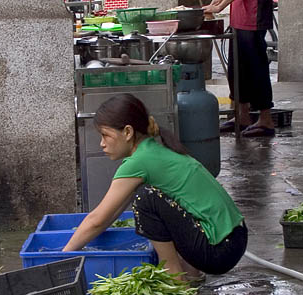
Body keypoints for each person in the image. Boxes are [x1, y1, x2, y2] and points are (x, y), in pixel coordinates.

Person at [62, 94, 248, 283]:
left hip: (218, 251)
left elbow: (97, 221)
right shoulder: (153, 150)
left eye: (105, 135)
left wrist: (63, 255)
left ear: (127, 132)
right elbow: (112, 213)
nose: (102, 143)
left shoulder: (139, 162)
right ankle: (192, 274)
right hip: (234, 239)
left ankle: (175, 278)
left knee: (146, 199)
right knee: (157, 200)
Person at [204, 0, 275, 137]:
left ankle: (266, 119)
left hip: (254, 14)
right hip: (239, 14)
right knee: (237, 67)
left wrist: (219, 7)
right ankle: (242, 115)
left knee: (256, 67)